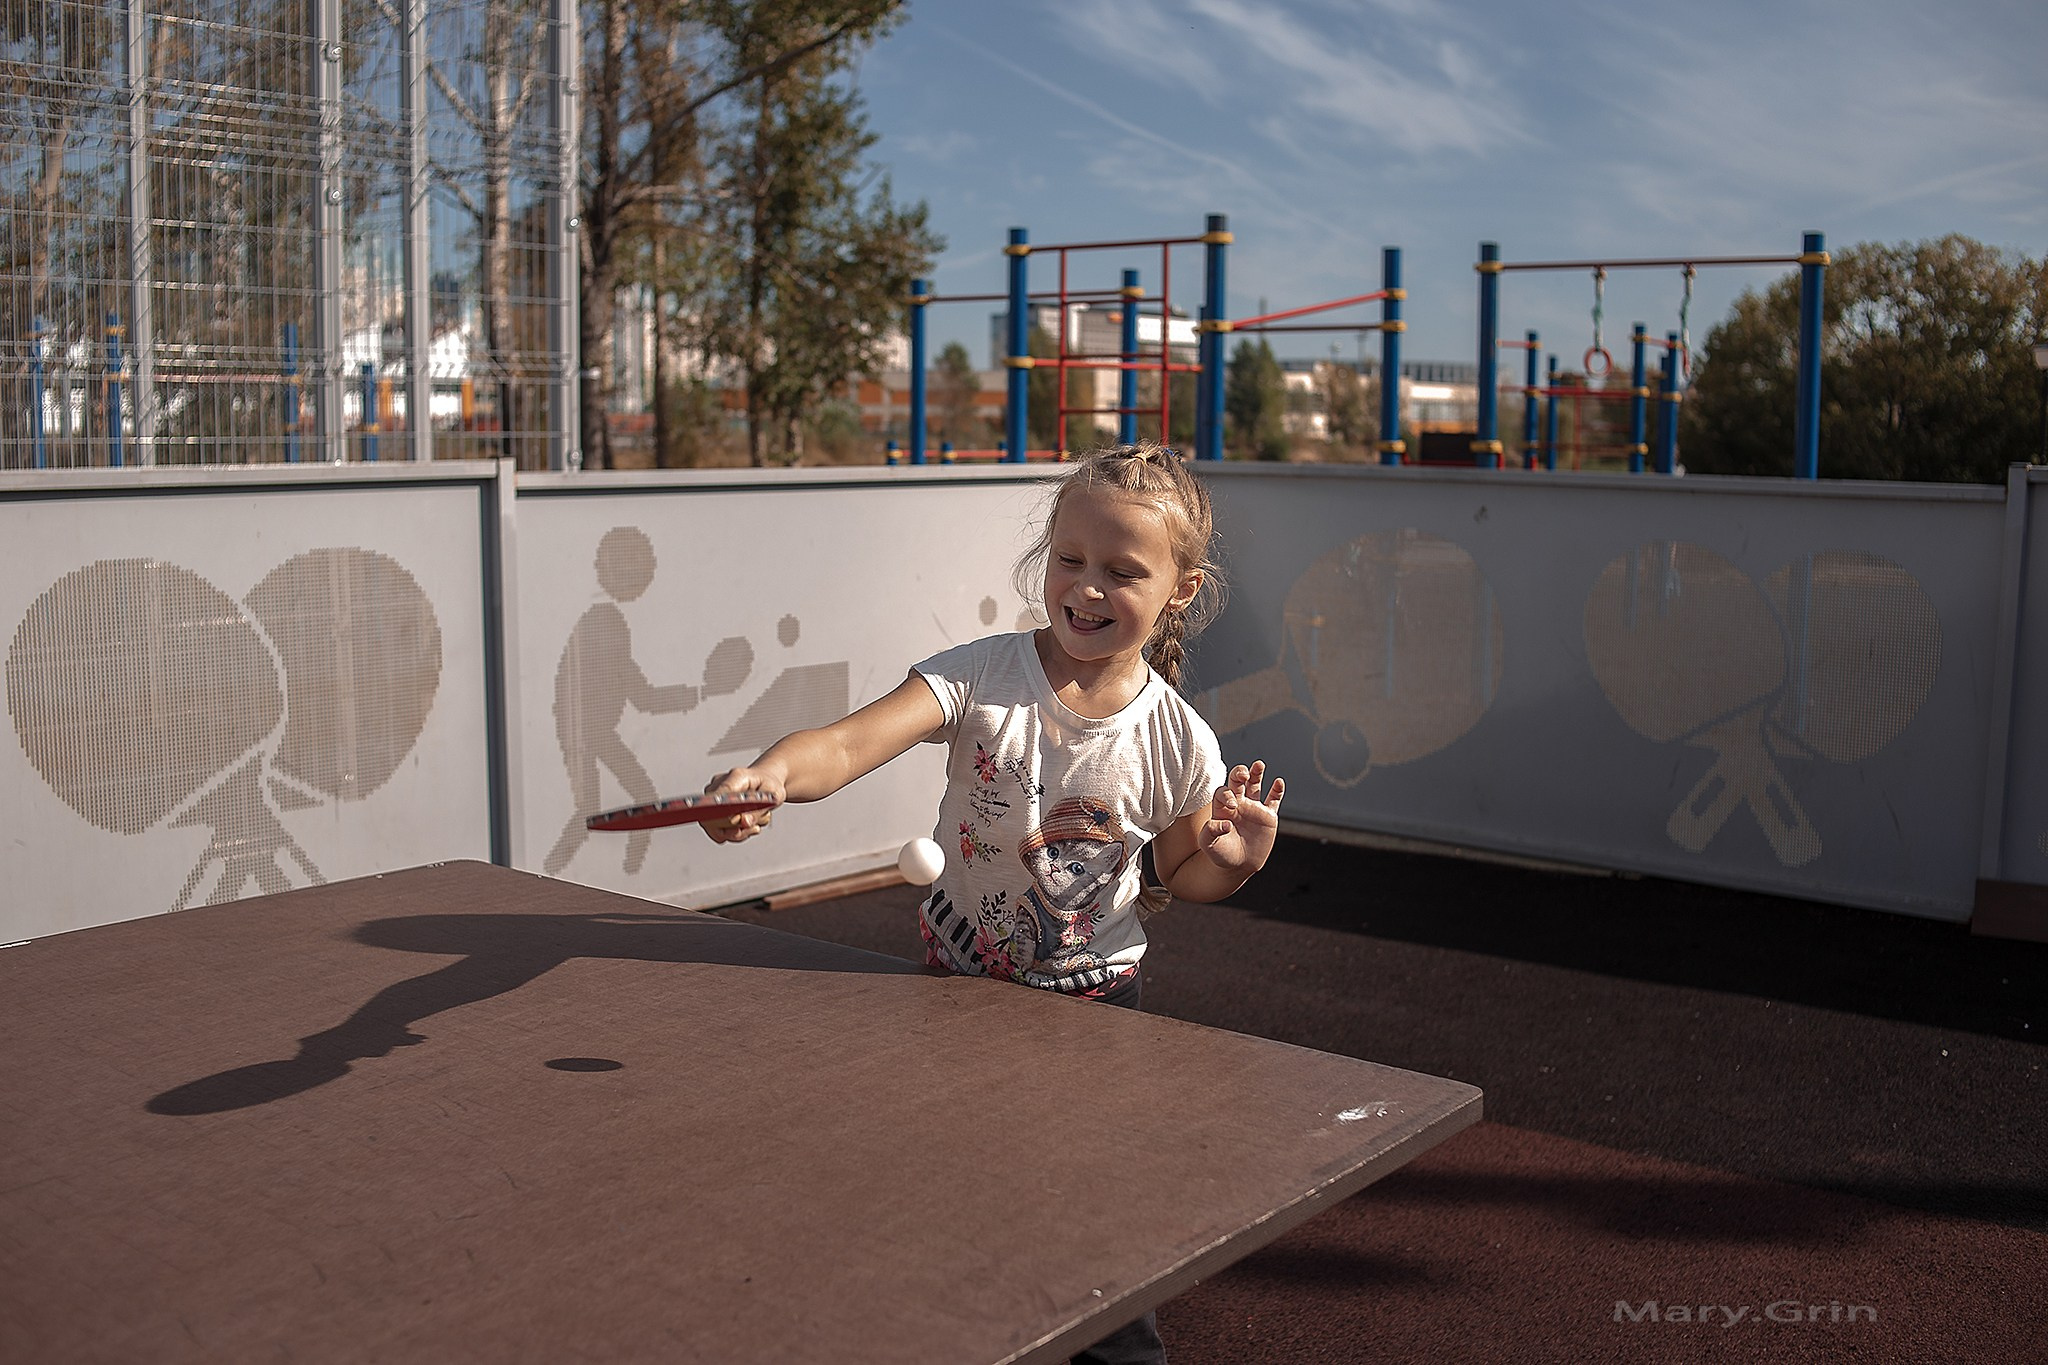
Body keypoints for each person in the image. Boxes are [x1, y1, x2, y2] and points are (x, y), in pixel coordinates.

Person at [702, 442, 1284, 1365]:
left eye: (1122, 571)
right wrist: (769, 774)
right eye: (1070, 560)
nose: (1087, 589)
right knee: (957, 1213)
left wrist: (1238, 859)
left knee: (1092, 1237)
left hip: (1095, 1014)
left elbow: (1183, 870)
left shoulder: (1179, 737)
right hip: (959, 994)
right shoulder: (979, 672)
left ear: (1181, 589)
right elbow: (848, 745)